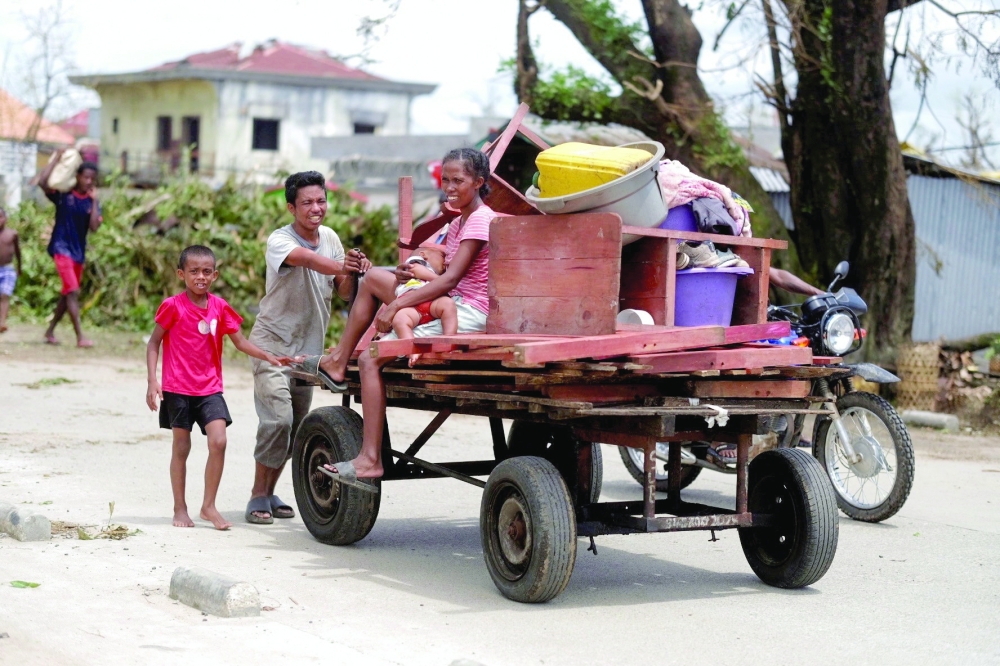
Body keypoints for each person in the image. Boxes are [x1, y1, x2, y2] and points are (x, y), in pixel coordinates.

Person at [314, 148, 493, 491]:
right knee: (373, 279)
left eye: (459, 180)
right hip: (452, 298)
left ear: (479, 182)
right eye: (446, 180)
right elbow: (437, 269)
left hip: (469, 311)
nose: (450, 187)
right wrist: (408, 272)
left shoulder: (481, 219)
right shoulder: (458, 221)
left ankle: (370, 459)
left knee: (369, 359)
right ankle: (337, 362)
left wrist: (396, 306)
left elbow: (452, 280)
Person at [244, 171, 370, 524]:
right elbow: (310, 260)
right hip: (272, 344)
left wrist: (355, 272)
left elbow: (344, 291)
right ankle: (258, 494)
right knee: (278, 420)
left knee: (296, 426)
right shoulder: (279, 240)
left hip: (308, 351)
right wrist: (343, 265)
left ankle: (270, 492)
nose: (316, 208)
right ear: (291, 207)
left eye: (321, 201)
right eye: (307, 203)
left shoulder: (330, 237)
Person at [145, 245, 296, 530]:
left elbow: (240, 342)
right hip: (177, 388)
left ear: (214, 275)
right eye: (193, 271)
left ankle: (209, 506)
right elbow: (154, 342)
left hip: (209, 389)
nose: (200, 277)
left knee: (219, 441)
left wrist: (269, 355)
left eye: (206, 272)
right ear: (181, 274)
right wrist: (153, 381)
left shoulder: (220, 307)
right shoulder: (172, 306)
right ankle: (180, 508)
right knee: (181, 447)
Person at [36, 150, 102, 347]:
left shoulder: (91, 202)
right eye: (86, 177)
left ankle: (49, 331)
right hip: (60, 248)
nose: (89, 181)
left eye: (93, 178)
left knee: (67, 293)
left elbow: (94, 227)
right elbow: (43, 183)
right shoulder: (64, 196)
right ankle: (80, 337)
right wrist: (56, 159)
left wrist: (95, 201)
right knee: (73, 291)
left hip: (78, 253)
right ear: (77, 177)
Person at [391, 246, 458, 365]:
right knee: (399, 320)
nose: (445, 262)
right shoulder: (415, 264)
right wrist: (441, 280)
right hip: (412, 308)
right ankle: (412, 349)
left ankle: (449, 341)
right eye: (442, 256)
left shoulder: (432, 272)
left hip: (431, 304)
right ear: (423, 255)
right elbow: (417, 270)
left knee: (448, 304)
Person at [0, 208, 22, 333]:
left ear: (5, 218)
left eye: (1, 217)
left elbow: (18, 252)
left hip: (8, 269)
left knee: (5, 294)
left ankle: (2, 322)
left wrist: (19, 267)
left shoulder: (12, 234)